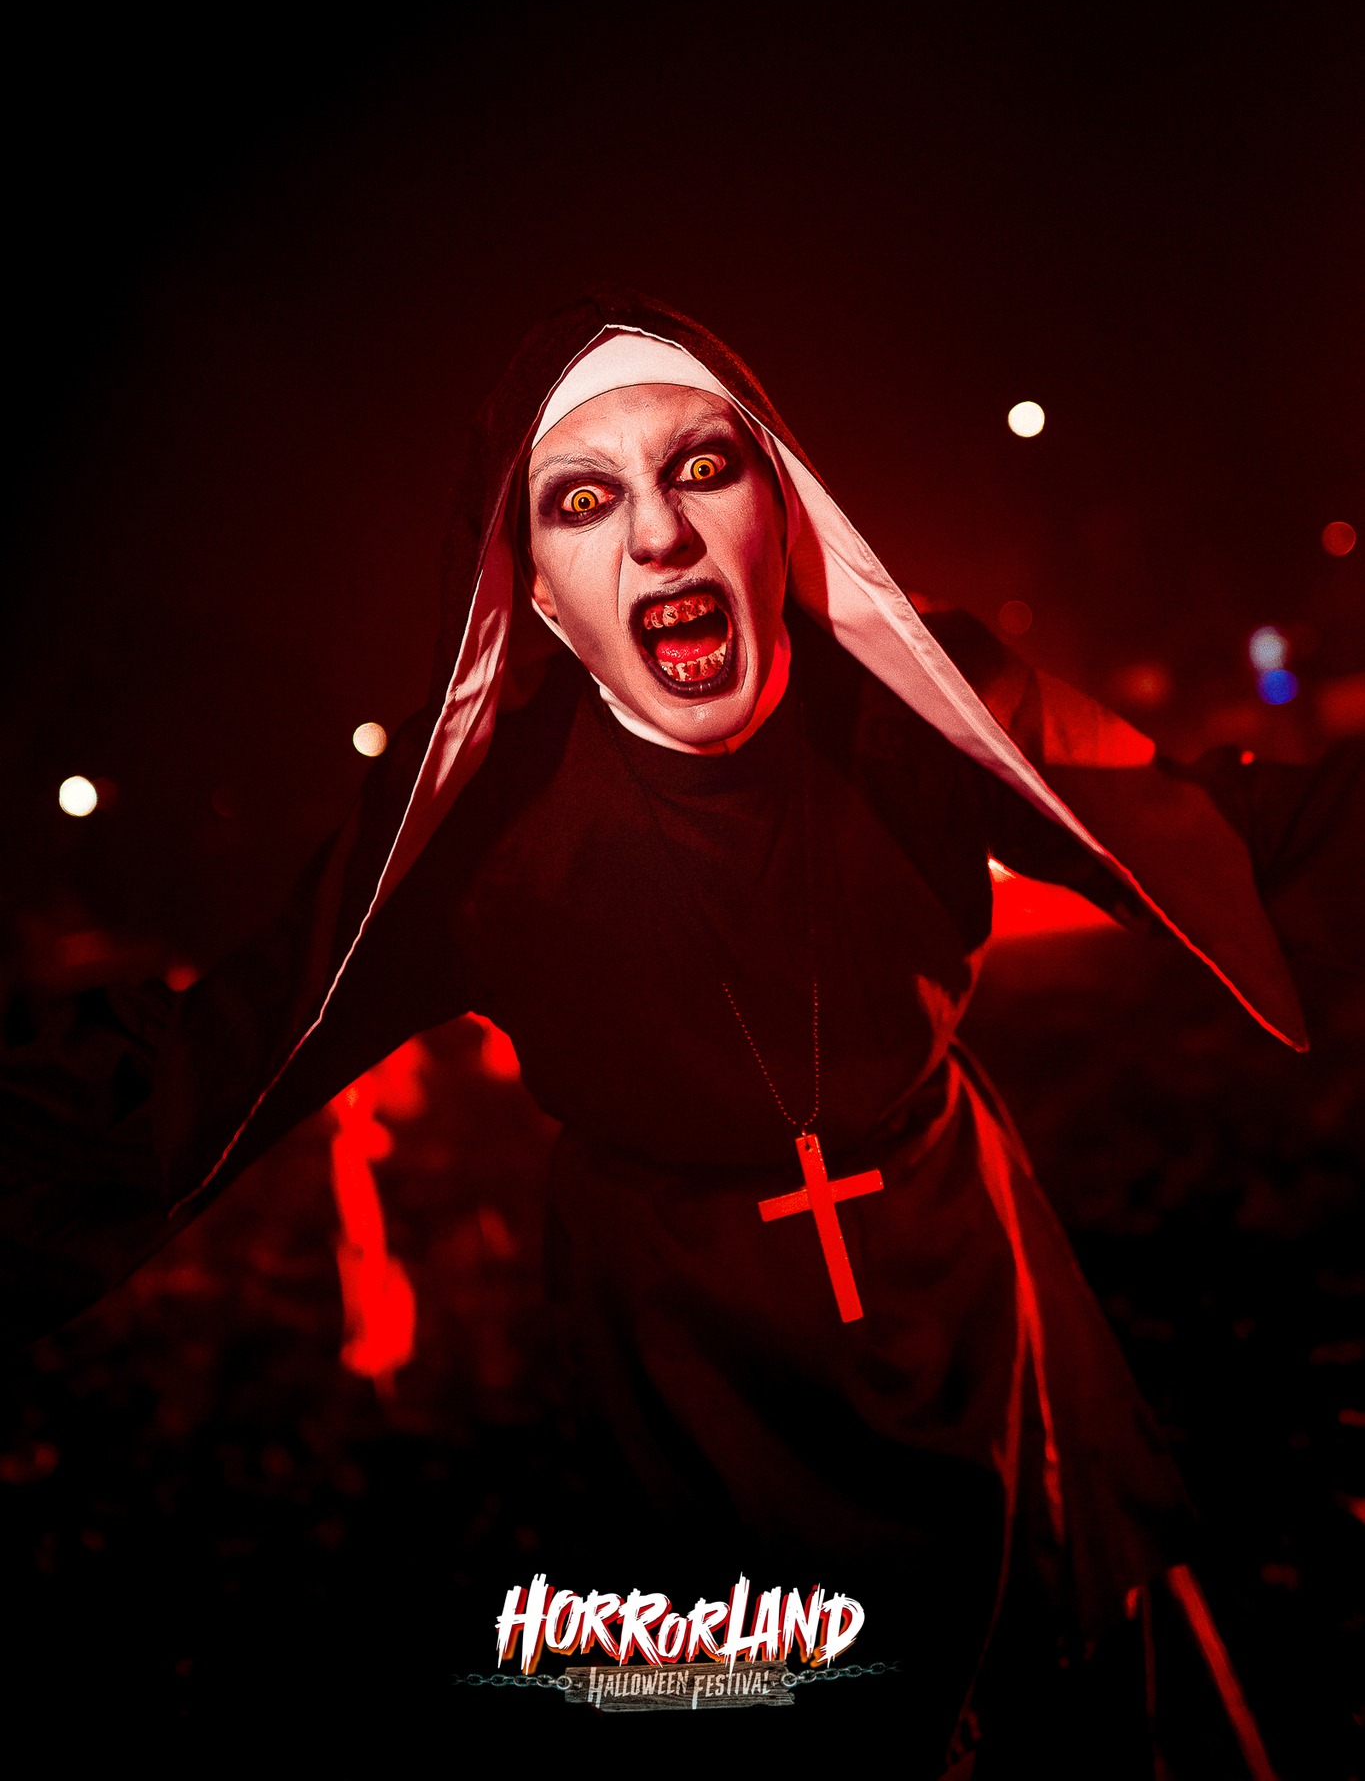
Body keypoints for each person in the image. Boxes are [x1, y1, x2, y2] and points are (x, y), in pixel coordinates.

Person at [3, 291, 1359, 1770]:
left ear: (784, 515)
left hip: (970, 1296)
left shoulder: (926, 698)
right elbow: (203, 1065)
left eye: (701, 467)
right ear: (533, 593)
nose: (657, 532)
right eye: (583, 500)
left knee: (1081, 1704)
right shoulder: (475, 829)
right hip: (694, 1374)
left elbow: (1220, 835)